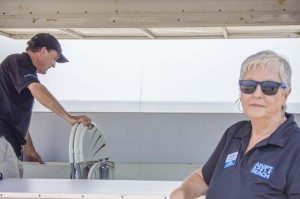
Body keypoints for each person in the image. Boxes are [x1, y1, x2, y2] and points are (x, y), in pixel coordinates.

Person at [170, 50, 300, 199]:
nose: (257, 94)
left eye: (269, 88)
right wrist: (182, 193)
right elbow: (205, 177)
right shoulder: (234, 133)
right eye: (249, 86)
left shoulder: (295, 147)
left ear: (285, 95)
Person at [0, 33, 92, 178]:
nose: (54, 65)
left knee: (14, 189)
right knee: (10, 190)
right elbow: (37, 89)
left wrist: (29, 149)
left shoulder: (25, 73)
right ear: (42, 51)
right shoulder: (18, 60)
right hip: (2, 140)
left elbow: (17, 119)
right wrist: (69, 118)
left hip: (9, 143)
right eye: (54, 58)